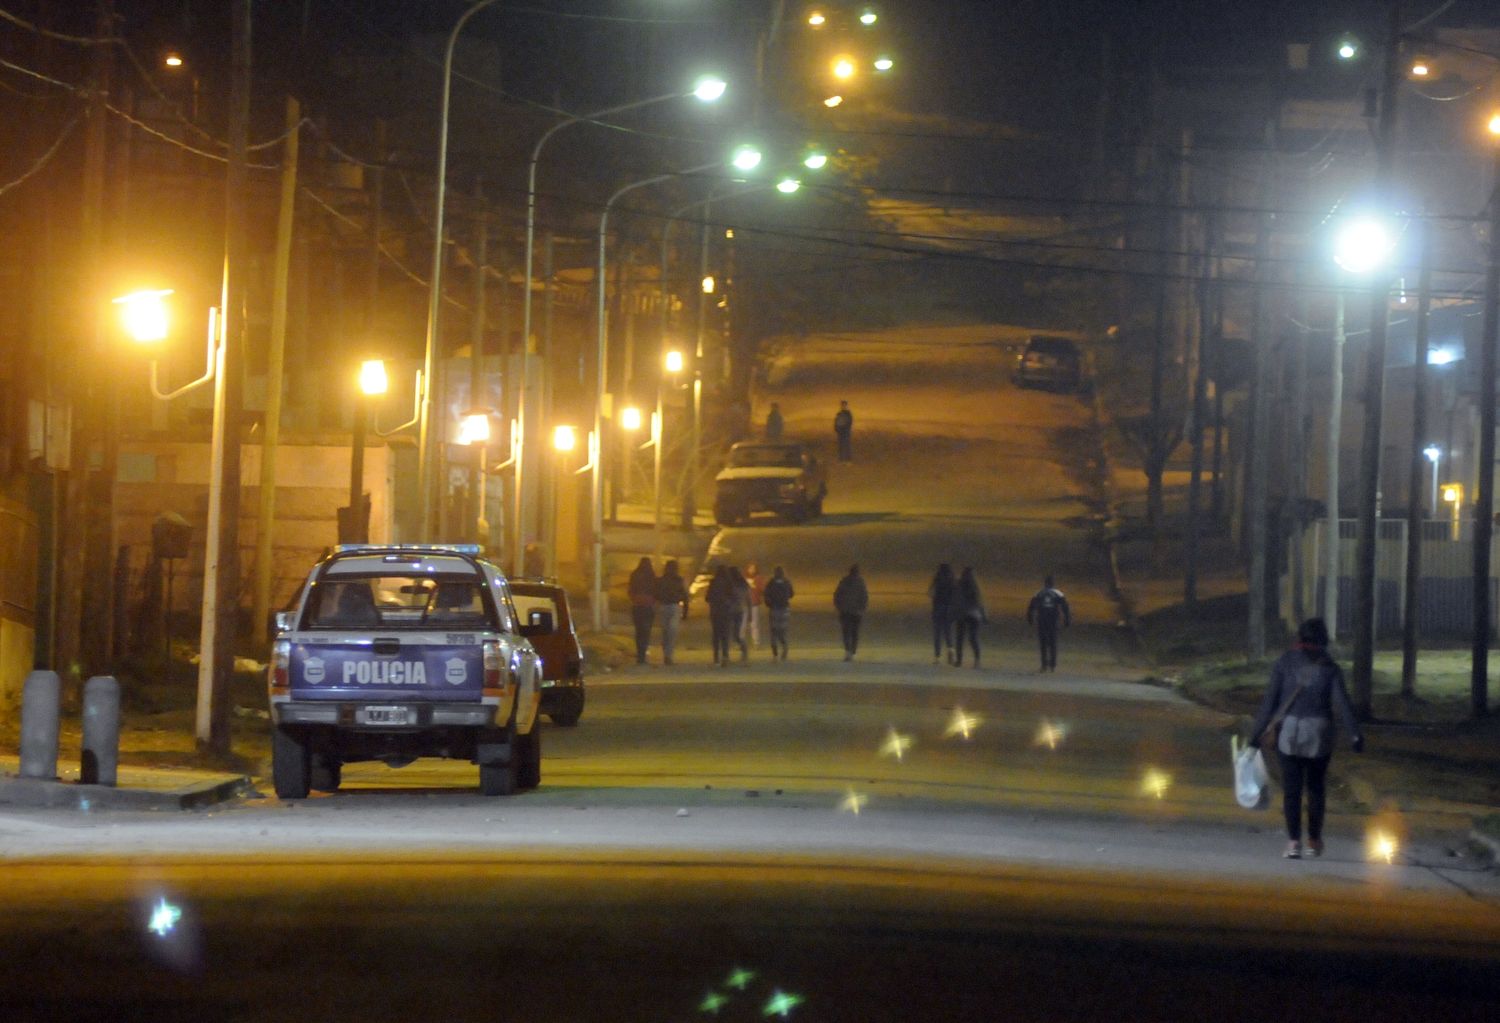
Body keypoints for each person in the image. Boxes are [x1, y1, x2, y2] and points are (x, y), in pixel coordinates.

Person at [1248, 618, 1364, 859]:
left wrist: (1256, 734)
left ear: (1299, 637)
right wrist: (1355, 734)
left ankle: (1293, 843)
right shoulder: (1330, 668)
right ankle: (1313, 840)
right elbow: (1342, 704)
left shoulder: (1284, 662)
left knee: (1291, 790)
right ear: (1323, 640)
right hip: (1318, 735)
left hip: (1288, 734)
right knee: (1316, 788)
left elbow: (1270, 702)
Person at [1026, 575, 1071, 672]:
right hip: (1053, 621)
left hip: (1042, 621)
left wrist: (1030, 619)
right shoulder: (1058, 593)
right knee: (1053, 642)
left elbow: (1031, 607)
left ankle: (1043, 665)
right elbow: (1065, 607)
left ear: (1045, 583)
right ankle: (1053, 665)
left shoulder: (1039, 593)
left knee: (1043, 643)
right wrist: (1067, 620)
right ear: (1053, 584)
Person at [653, 560, 689, 665]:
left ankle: (667, 654)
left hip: (663, 606)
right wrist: (686, 611)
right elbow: (685, 595)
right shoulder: (679, 580)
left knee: (665, 631)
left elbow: (656, 594)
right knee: (672, 631)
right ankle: (668, 654)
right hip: (674, 606)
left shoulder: (660, 580)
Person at [833, 563, 868, 661]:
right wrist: (862, 608)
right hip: (856, 612)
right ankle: (852, 651)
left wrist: (839, 606)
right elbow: (864, 597)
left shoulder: (844, 581)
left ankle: (848, 651)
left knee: (846, 632)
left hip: (845, 611)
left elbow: (837, 595)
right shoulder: (860, 582)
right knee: (854, 632)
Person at [953, 567, 986, 668]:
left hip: (962, 614)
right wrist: (984, 616)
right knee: (973, 638)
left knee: (960, 639)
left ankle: (959, 661)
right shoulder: (975, 586)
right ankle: (977, 661)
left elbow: (955, 600)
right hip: (973, 615)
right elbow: (980, 603)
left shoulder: (959, 585)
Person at [627, 557, 657, 665]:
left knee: (639, 631)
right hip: (648, 606)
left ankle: (640, 655)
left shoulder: (634, 574)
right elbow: (656, 590)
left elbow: (630, 589)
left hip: (637, 606)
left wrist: (635, 598)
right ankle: (643, 654)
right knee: (646, 631)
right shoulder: (651, 575)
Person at [705, 565, 736, 667]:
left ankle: (716, 657)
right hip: (726, 612)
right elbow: (733, 597)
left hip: (715, 612)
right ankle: (725, 656)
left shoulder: (713, 582)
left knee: (716, 635)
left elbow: (707, 597)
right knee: (725, 634)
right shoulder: (729, 582)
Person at [762, 566, 795, 660]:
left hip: (774, 608)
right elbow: (792, 594)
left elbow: (766, 594)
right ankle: (784, 647)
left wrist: (769, 603)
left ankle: (775, 653)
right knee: (782, 630)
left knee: (773, 630)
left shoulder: (771, 583)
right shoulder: (786, 582)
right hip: (784, 609)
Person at [927, 564, 956, 664]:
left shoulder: (937, 578)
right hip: (948, 609)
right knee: (948, 632)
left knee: (937, 633)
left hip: (938, 608)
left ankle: (937, 657)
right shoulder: (952, 580)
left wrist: (936, 597)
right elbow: (955, 595)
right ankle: (951, 650)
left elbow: (929, 592)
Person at [728, 566, 752, 662]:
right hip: (740, 610)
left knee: (734, 634)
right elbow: (748, 600)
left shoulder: (731, 585)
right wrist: (750, 613)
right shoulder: (744, 585)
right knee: (736, 634)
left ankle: (743, 650)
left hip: (733, 611)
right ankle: (743, 651)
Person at [744, 562, 764, 647]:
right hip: (744, 604)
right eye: (750, 568)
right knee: (742, 624)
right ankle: (740, 642)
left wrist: (754, 586)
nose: (752, 570)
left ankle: (756, 642)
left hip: (754, 603)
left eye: (753, 568)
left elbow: (762, 589)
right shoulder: (743, 578)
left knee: (754, 624)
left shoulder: (758, 578)